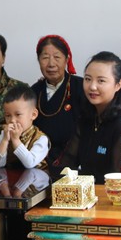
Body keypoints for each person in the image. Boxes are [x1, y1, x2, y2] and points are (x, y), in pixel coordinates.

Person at [64, 52, 121, 183]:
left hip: (113, 193)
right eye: (88, 79)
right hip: (87, 191)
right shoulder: (88, 116)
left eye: (101, 81)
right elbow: (67, 162)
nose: (92, 86)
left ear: (118, 85)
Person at [31, 35, 83, 168]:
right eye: (45, 58)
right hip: (40, 161)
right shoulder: (34, 91)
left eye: (57, 57)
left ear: (67, 59)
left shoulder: (81, 87)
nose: (51, 64)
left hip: (74, 161)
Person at [0, 85, 50, 169]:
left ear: (33, 114)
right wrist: (4, 140)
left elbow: (30, 163)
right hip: (10, 175)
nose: (12, 120)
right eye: (8, 115)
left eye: (18, 114)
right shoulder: (5, 134)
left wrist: (15, 140)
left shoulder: (40, 139)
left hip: (36, 176)